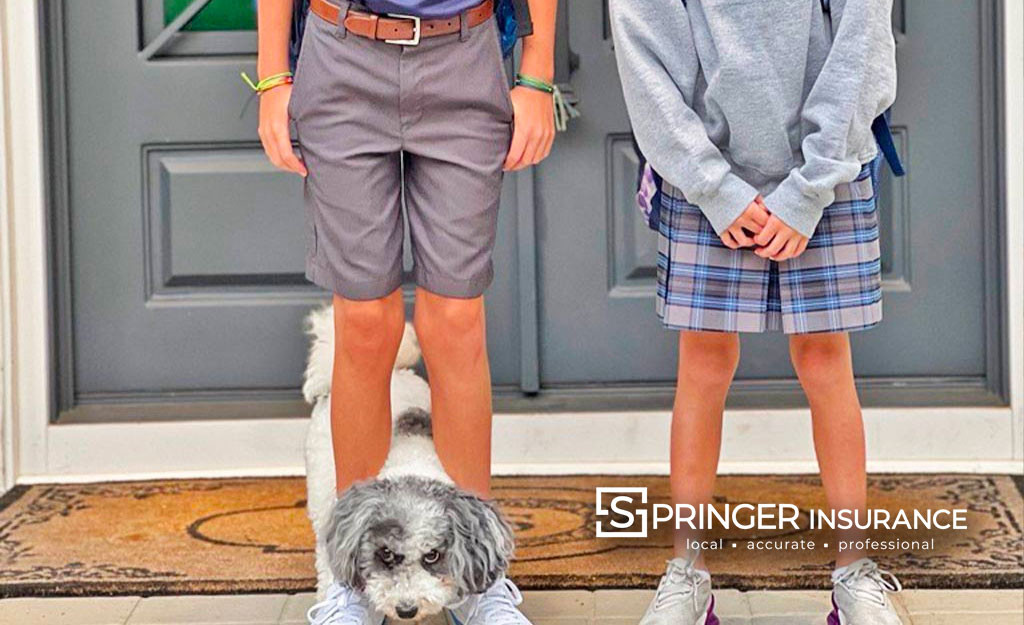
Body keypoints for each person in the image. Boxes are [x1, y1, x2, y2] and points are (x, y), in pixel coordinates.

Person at [254, 0, 557, 623]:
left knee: (456, 322)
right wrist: (271, 77)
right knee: (364, 324)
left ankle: (478, 578)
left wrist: (536, 74)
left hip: (464, 57)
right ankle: (351, 579)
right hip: (341, 57)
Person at [608, 1, 904, 624]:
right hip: (702, 173)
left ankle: (854, 573)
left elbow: (861, 45)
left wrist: (810, 188)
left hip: (829, 167)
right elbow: (647, 62)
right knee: (704, 359)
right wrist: (713, 185)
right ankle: (688, 574)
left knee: (826, 358)